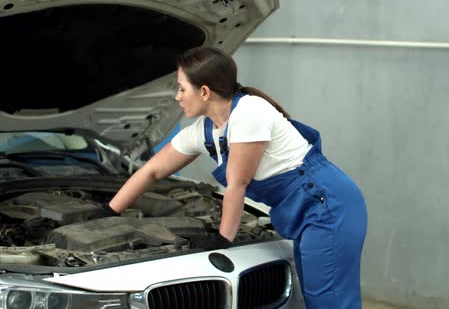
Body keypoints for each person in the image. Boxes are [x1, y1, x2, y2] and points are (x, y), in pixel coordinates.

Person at [105, 46, 368, 308]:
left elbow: (237, 184)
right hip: (304, 211)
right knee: (317, 298)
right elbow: (151, 170)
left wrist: (223, 238)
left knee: (330, 301)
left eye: (182, 88)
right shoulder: (204, 131)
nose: (177, 97)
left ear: (204, 91)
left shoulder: (250, 112)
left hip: (326, 205)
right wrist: (109, 211)